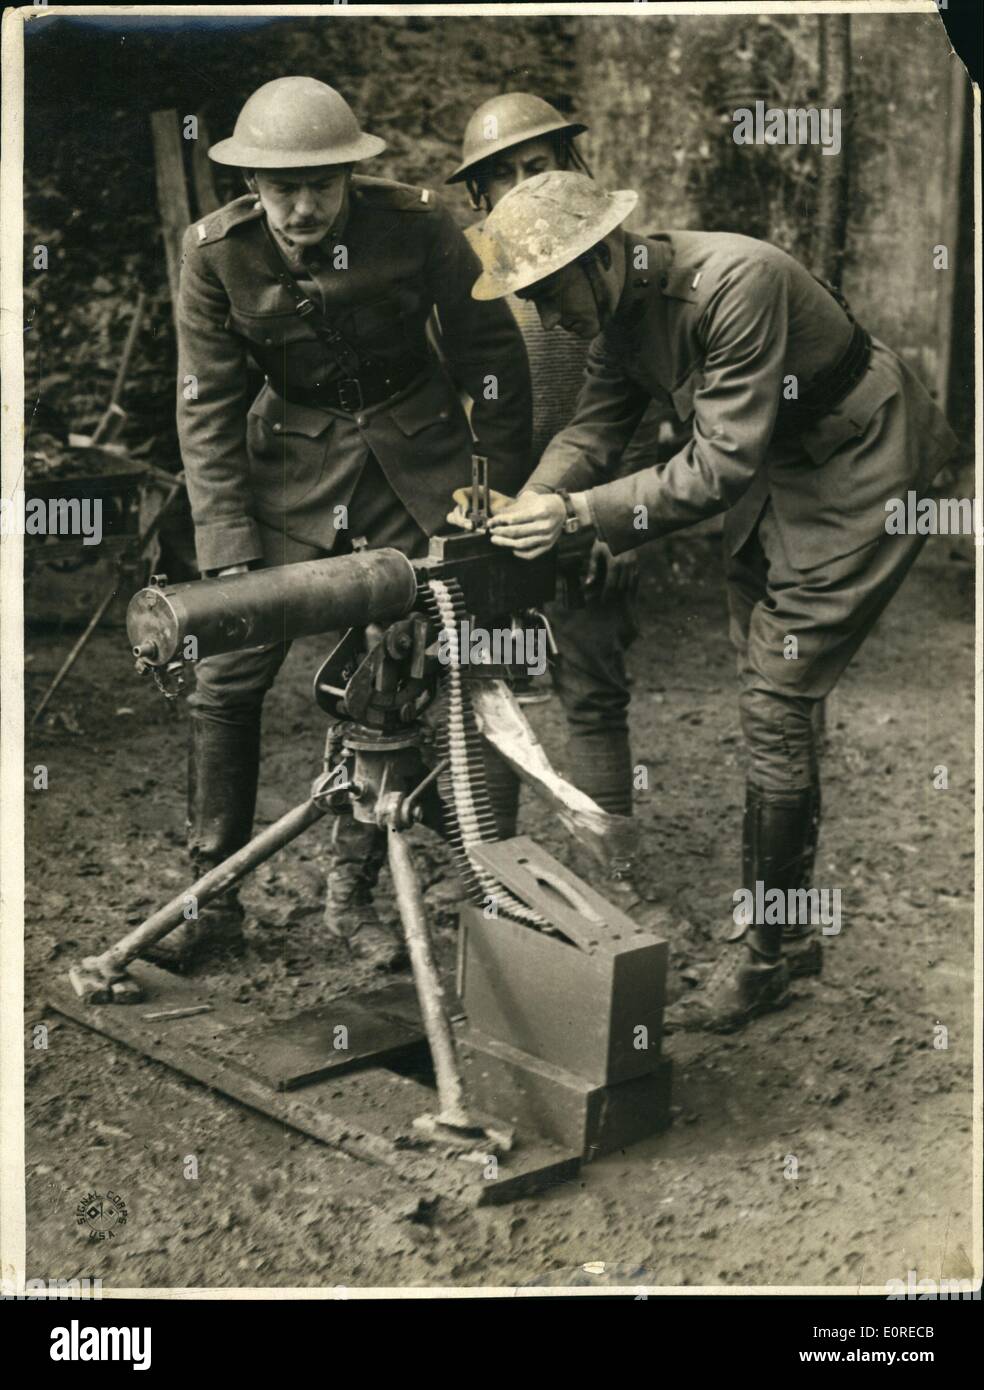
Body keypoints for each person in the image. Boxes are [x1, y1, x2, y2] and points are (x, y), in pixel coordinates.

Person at [466, 170, 958, 1031]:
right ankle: (790, 925)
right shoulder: (614, 314)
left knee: (774, 699)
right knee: (776, 692)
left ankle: (770, 955)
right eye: (530, 298)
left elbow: (717, 467)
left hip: (861, 462)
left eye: (550, 291)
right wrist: (532, 499)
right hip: (782, 472)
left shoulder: (737, 282)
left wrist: (578, 516)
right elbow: (593, 428)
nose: (548, 315)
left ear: (605, 256)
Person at [164, 76, 532, 971]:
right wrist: (226, 554)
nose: (300, 207)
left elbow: (492, 358)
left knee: (401, 669)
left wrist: (494, 490)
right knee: (227, 670)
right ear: (250, 183)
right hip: (288, 472)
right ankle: (210, 897)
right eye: (279, 187)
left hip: (416, 462)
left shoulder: (417, 223)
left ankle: (357, 894)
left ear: (349, 176)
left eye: (318, 186)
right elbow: (207, 407)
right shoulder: (215, 254)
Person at [445, 93, 658, 910]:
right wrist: (465, 491)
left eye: (538, 166)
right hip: (494, 502)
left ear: (572, 165)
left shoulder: (609, 256)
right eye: (501, 177)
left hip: (590, 504)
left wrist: (622, 525)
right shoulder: (466, 269)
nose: (522, 184)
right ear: (478, 197)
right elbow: (444, 397)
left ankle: (616, 874)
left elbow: (636, 406)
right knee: (484, 688)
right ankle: (495, 876)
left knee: (593, 686)